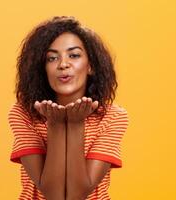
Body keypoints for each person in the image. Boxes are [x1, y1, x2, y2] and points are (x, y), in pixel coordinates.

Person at [8, 16, 129, 200]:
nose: (63, 64)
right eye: (52, 58)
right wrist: (56, 124)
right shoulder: (23, 113)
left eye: (74, 55)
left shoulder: (113, 117)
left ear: (90, 66)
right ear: (42, 68)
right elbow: (53, 195)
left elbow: (76, 195)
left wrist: (75, 124)